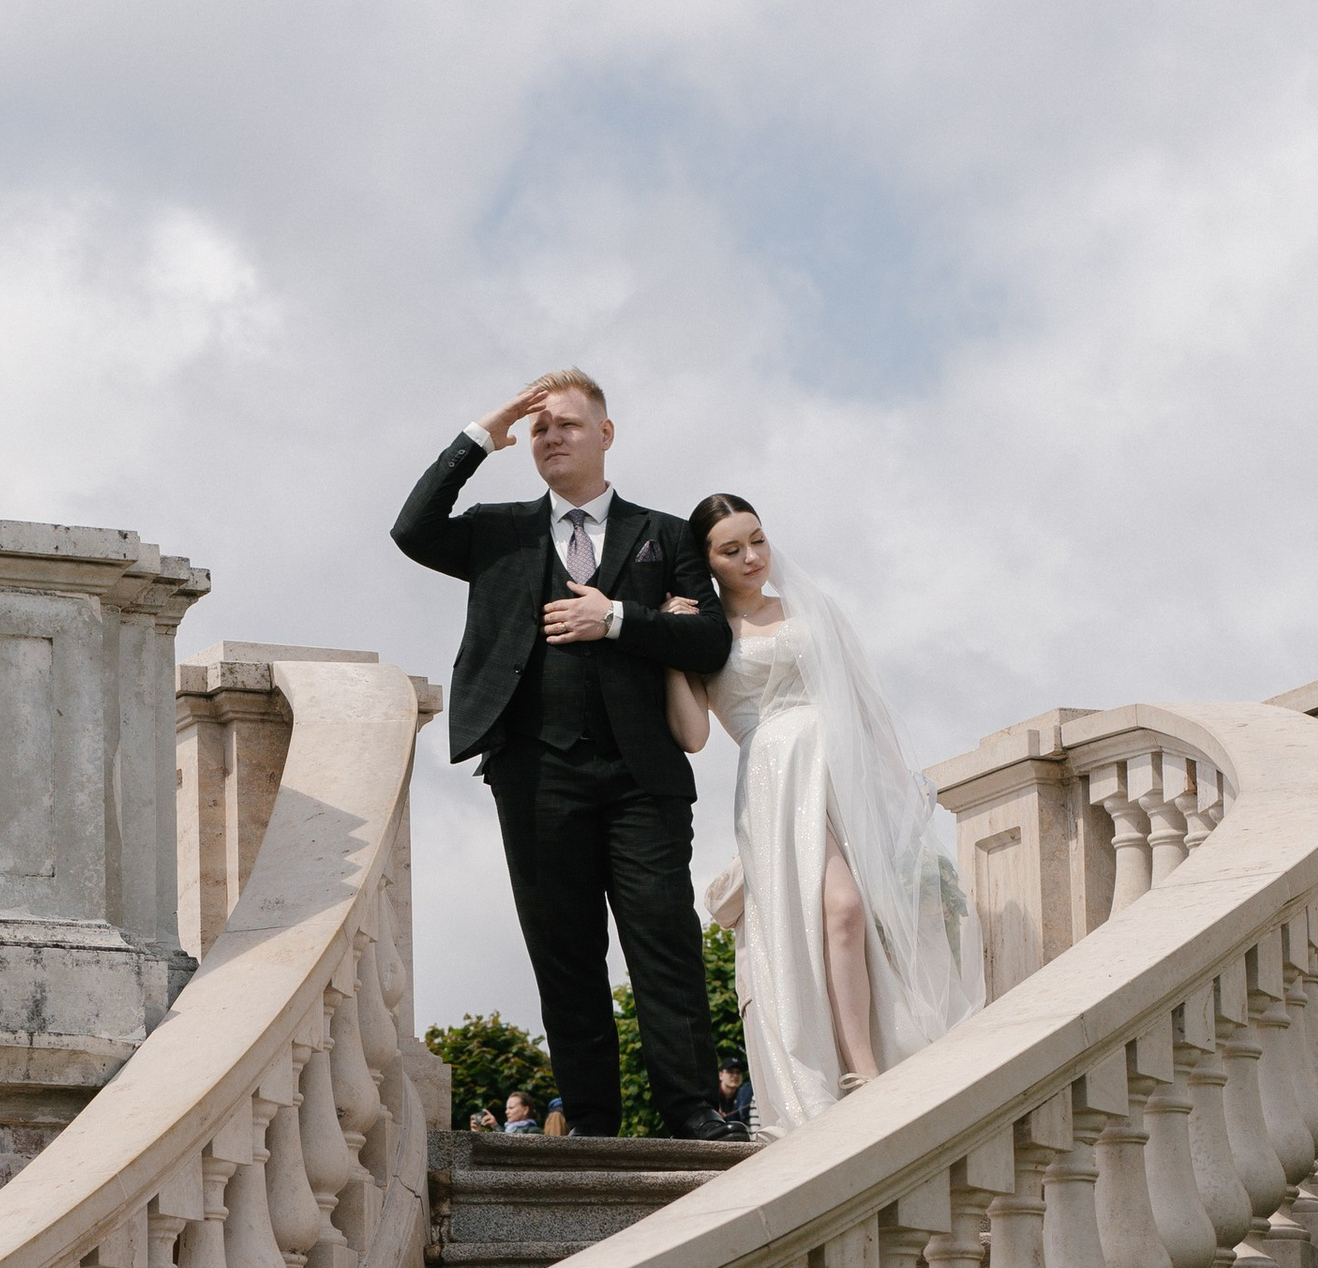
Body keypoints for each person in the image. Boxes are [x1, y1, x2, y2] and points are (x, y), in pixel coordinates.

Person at [393, 373, 734, 1139]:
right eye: (538, 428)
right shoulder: (500, 531)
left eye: (567, 425)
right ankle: (589, 1120)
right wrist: (485, 430)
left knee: (664, 944)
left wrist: (616, 617)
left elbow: (711, 638)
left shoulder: (666, 533)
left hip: (642, 777)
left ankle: (693, 1112)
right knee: (564, 955)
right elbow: (412, 530)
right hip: (535, 775)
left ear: (605, 435)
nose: (550, 437)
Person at [665, 497, 981, 1134]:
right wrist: (670, 649)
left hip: (844, 770)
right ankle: (855, 1069)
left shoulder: (809, 609)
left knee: (866, 916)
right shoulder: (706, 633)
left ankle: (869, 1060)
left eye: (757, 540)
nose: (752, 557)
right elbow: (694, 734)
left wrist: (900, 786)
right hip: (778, 781)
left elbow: (864, 703)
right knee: (841, 909)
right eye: (731, 549)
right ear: (706, 563)